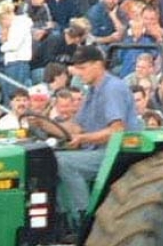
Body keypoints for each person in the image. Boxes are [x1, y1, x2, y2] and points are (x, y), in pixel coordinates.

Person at [53, 46, 142, 229]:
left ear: (98, 65)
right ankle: (60, 217)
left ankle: (83, 219)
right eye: (77, 68)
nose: (79, 73)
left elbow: (116, 131)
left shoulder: (112, 89)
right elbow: (77, 127)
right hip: (97, 150)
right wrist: (44, 124)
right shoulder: (92, 91)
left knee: (63, 162)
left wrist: (82, 139)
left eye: (83, 68)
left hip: (116, 153)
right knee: (47, 158)